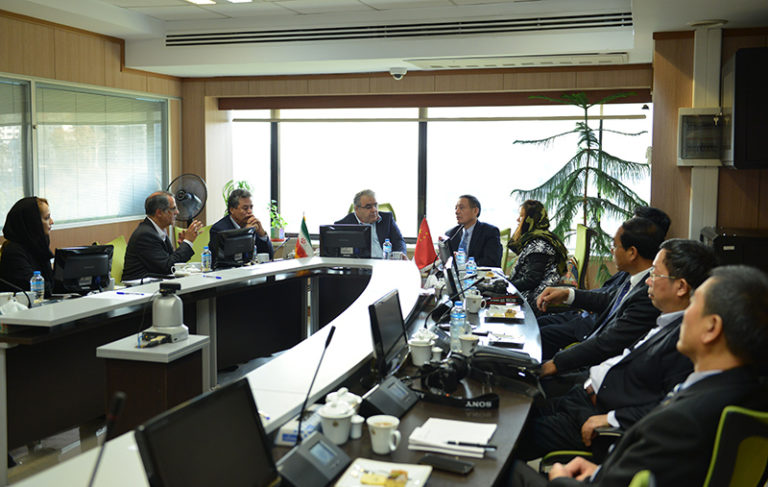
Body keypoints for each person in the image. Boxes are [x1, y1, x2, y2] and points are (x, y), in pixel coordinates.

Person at [508, 265, 768, 486]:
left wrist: (560, 479)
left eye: (694, 305)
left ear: (711, 328)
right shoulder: (743, 392)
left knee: (505, 465)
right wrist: (600, 471)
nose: (684, 314)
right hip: (607, 470)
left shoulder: (683, 421)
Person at [514, 239, 715, 460]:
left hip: (594, 418)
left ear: (681, 287)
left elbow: (671, 407)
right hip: (581, 397)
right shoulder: (666, 321)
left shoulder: (686, 340)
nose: (648, 280)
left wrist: (612, 419)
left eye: (655, 274)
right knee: (514, 399)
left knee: (509, 435)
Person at [536, 217, 664, 388]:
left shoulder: (647, 293)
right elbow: (608, 299)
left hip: (598, 375)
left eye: (615, 246)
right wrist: (567, 294)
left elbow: (608, 343)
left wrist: (556, 363)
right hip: (589, 359)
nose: (612, 251)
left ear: (632, 253)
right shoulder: (634, 278)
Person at [122, 191, 203, 281]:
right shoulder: (145, 235)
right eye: (173, 209)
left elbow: (170, 262)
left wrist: (183, 246)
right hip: (140, 286)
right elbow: (168, 267)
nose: (177, 212)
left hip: (157, 282)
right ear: (159, 213)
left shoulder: (158, 230)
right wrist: (187, 242)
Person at [507, 200, 568, 312]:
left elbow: (531, 280)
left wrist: (506, 285)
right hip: (531, 293)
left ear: (530, 220)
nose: (518, 220)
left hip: (534, 299)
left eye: (521, 216)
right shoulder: (538, 237)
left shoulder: (539, 245)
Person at [0, 197, 55, 297]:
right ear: (33, 222)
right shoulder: (13, 252)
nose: (52, 221)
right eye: (47, 218)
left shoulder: (37, 245)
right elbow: (36, 288)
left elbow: (51, 282)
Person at [335, 189, 405, 258]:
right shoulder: (343, 225)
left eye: (375, 205)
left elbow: (399, 241)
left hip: (386, 262)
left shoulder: (387, 219)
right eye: (368, 207)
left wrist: (400, 255)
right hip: (360, 264)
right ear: (357, 209)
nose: (374, 210)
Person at [210, 188, 273, 261]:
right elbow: (229, 259)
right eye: (245, 208)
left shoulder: (252, 225)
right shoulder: (219, 229)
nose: (250, 211)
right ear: (232, 210)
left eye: (251, 207)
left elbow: (269, 256)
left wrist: (262, 234)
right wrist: (245, 233)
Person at [445, 195, 502, 268]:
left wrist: (467, 265)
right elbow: (445, 262)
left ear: (475, 211)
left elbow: (492, 261)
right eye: (456, 208)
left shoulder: (490, 232)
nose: (457, 212)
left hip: (477, 274)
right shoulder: (451, 234)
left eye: (461, 208)